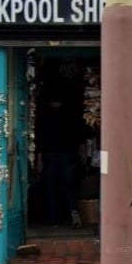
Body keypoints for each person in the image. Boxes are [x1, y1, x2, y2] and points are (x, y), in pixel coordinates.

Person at [36, 92, 82, 228]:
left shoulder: (45, 116)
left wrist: (39, 158)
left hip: (50, 155)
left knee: (51, 186)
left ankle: (53, 218)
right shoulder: (69, 114)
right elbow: (77, 134)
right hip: (68, 153)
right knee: (69, 185)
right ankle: (73, 213)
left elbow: (40, 138)